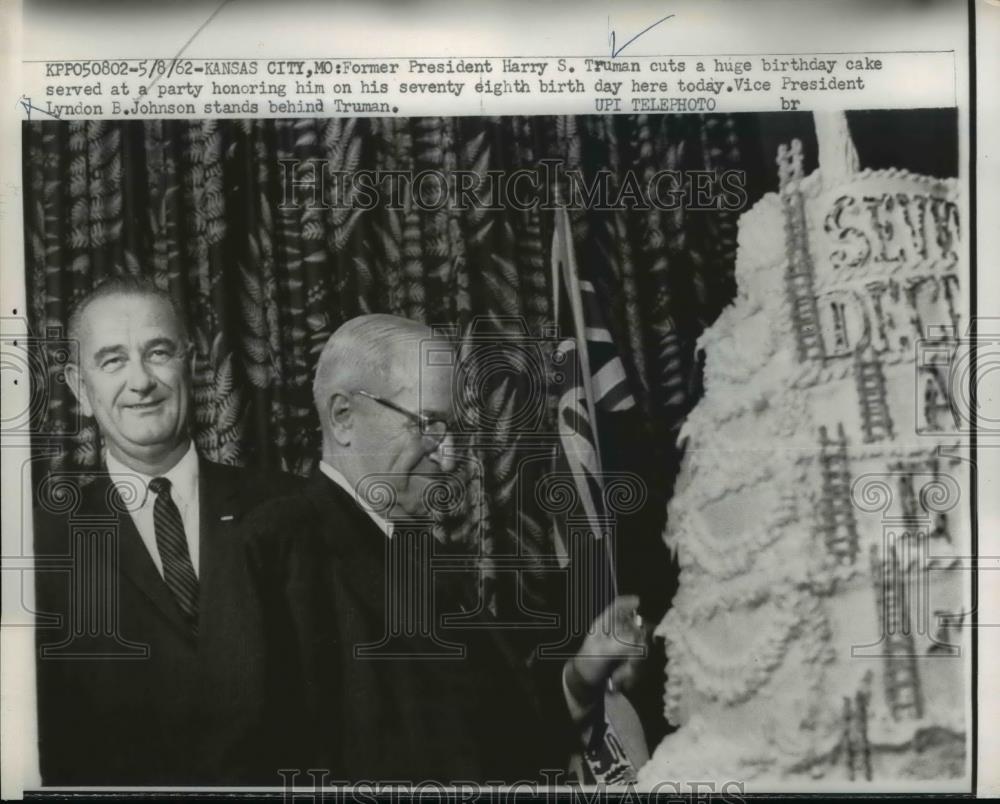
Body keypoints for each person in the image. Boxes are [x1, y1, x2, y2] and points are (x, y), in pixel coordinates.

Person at [242, 314, 646, 784]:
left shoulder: (424, 551)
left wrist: (583, 672)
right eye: (428, 425)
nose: (450, 455)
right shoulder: (278, 548)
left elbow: (499, 728)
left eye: (450, 429)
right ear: (343, 416)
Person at [32, 276, 300, 786]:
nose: (140, 382)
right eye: (112, 361)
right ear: (80, 389)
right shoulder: (40, 544)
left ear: (192, 364)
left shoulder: (289, 508)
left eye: (158, 352)